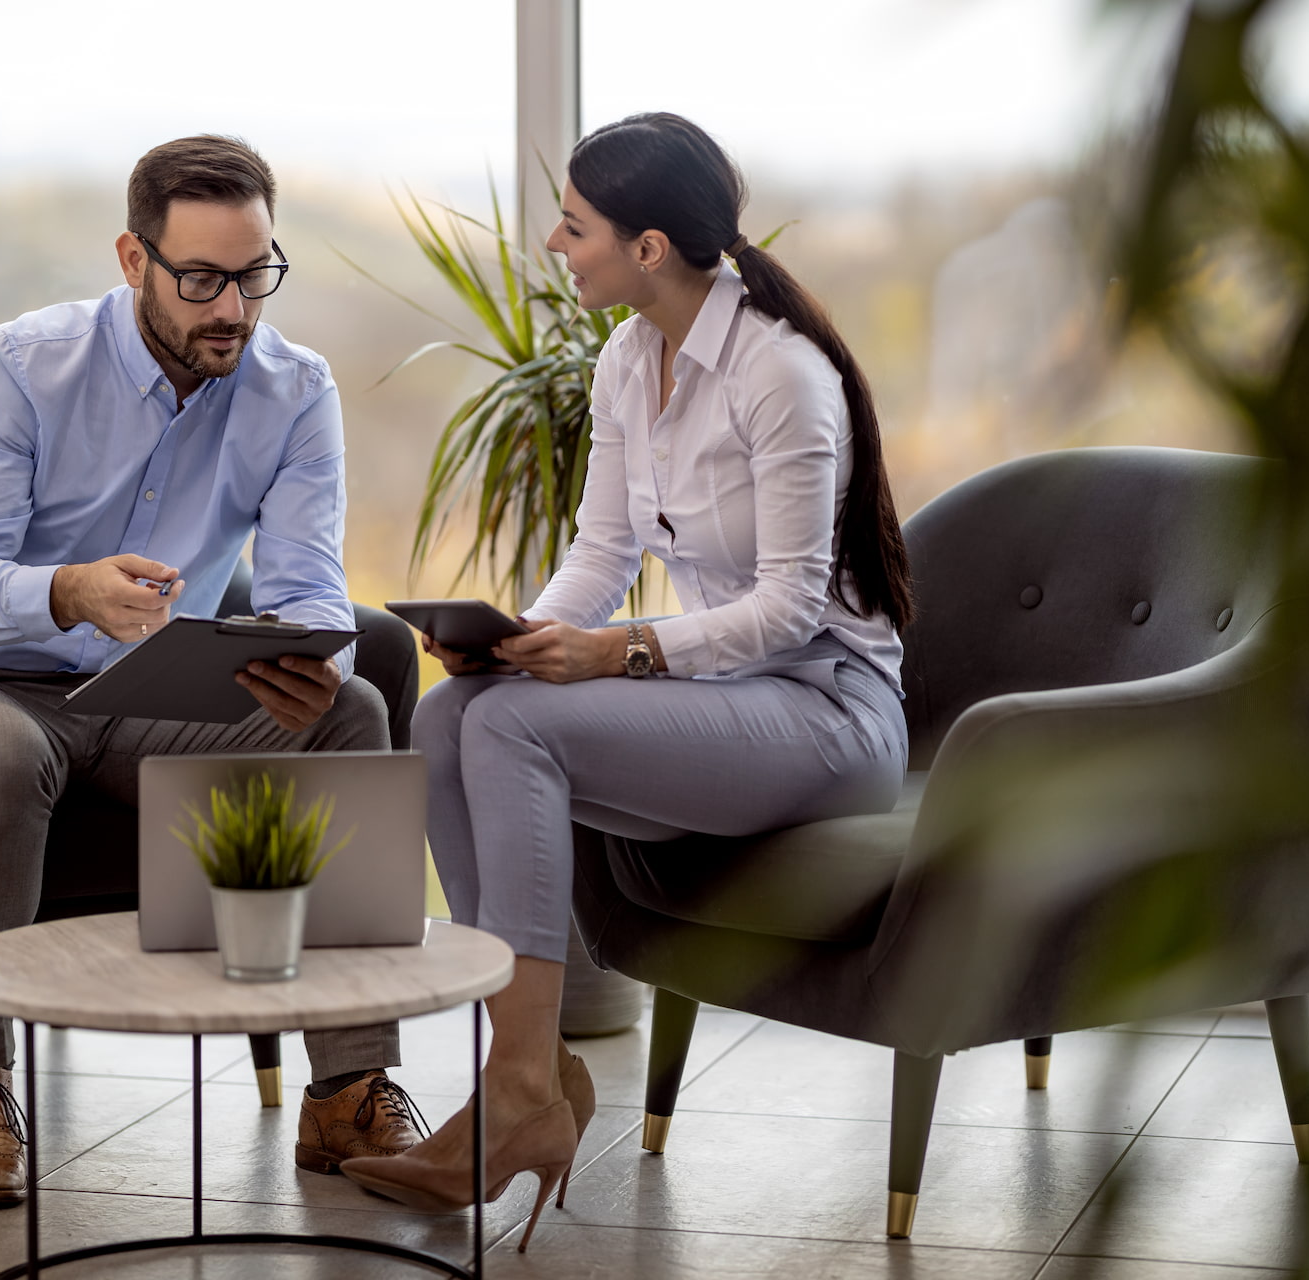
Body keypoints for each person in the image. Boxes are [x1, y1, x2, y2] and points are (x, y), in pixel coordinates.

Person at [340, 112, 914, 1248]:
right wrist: (524, 639)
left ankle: (516, 1093)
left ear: (649, 246)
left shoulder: (781, 373)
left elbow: (794, 605)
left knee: (509, 736)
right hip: (726, 698)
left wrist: (625, 651)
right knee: (460, 708)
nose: (558, 243)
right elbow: (601, 555)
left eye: (575, 224)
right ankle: (534, 1069)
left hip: (830, 712)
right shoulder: (623, 359)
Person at [0, 135, 419, 1209]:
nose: (233, 309)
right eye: (202, 279)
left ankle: (349, 1084)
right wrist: (67, 590)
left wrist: (310, 653)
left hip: (147, 697)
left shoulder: (295, 390)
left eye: (254, 275)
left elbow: (310, 583)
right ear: (134, 259)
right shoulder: (24, 365)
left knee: (348, 712)